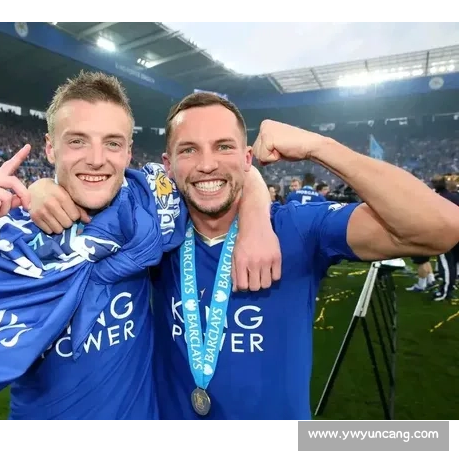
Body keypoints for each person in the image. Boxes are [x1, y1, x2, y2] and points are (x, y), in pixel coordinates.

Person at [0, 72, 280, 421]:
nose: (97, 158)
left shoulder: (151, 208)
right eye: (78, 141)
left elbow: (226, 171)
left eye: (112, 143)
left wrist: (257, 220)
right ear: (51, 148)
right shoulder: (6, 238)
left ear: (128, 153)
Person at [29, 92, 459, 421]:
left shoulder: (297, 228)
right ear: (167, 164)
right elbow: (88, 184)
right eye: (189, 150)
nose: (207, 164)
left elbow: (442, 227)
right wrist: (41, 189)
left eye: (224, 147)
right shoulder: (154, 232)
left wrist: (320, 146)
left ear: (247, 158)